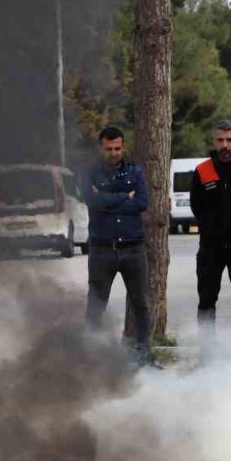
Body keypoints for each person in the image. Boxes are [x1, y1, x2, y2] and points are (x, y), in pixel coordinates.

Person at [82, 126, 153, 365]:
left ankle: (145, 356)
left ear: (123, 147)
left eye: (117, 148)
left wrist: (106, 199)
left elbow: (142, 202)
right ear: (101, 148)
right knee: (96, 304)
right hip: (102, 250)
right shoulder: (90, 173)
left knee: (141, 303)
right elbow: (91, 201)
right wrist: (125, 196)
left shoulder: (135, 171)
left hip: (133, 248)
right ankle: (91, 358)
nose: (113, 153)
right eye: (109, 149)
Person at [189, 121, 231, 354]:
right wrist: (212, 228)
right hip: (210, 248)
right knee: (206, 303)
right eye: (220, 140)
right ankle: (207, 352)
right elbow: (196, 206)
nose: (225, 145)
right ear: (214, 141)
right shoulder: (202, 171)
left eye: (230, 140)